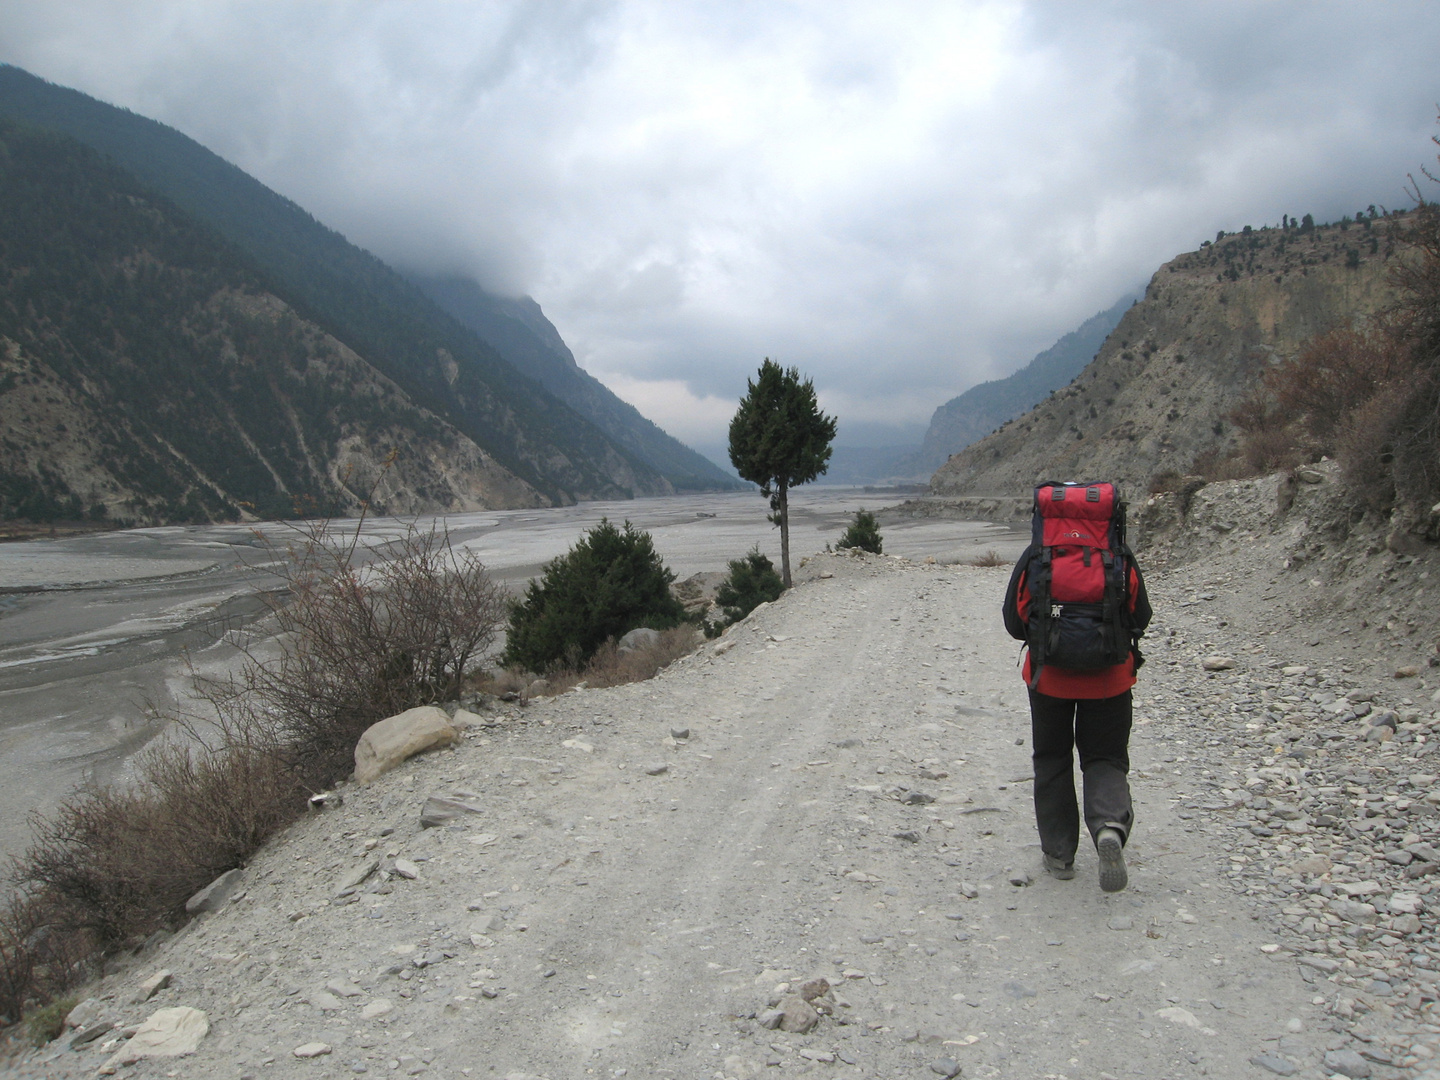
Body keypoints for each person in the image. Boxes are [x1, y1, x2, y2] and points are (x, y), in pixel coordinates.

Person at [1001, 490, 1152, 892]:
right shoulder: (1117, 557)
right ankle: (1108, 828)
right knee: (1104, 756)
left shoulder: (1037, 557)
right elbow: (1141, 615)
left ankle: (1059, 853)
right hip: (1110, 680)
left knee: (1051, 759)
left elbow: (1013, 621)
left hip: (1048, 679)